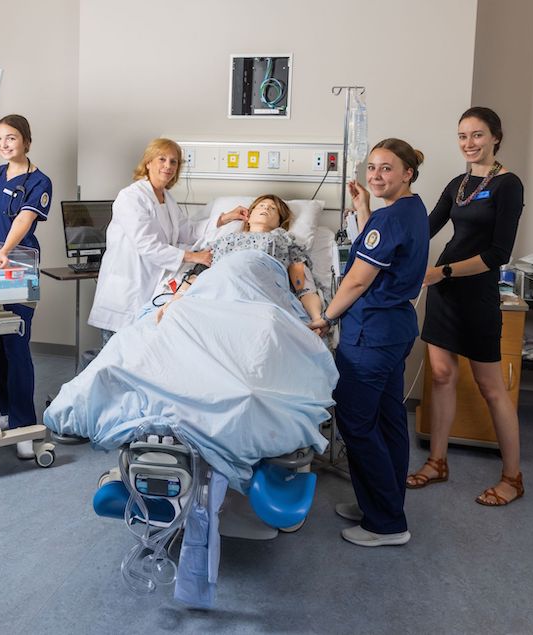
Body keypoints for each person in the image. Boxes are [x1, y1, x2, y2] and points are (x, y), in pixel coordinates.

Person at [308, 139, 429, 547]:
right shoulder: (411, 210)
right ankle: (382, 503)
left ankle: (386, 523)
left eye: (387, 169)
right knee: (389, 421)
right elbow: (379, 250)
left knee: (358, 425)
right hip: (394, 331)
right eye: (372, 168)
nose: (376, 176)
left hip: (370, 336)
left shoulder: (389, 220)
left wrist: (326, 317)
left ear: (407, 173)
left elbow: (358, 279)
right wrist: (363, 211)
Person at [406, 106, 526, 506]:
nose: (469, 144)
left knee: (492, 388)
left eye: (477, 135)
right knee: (440, 375)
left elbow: (498, 253)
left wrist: (444, 272)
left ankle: (512, 477)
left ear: (495, 137)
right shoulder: (458, 183)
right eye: (462, 136)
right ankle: (437, 462)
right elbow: (425, 227)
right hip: (445, 291)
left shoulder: (509, 185)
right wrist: (374, 218)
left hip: (474, 292)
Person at [88, 138, 247, 346]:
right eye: (162, 159)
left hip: (150, 288)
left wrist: (225, 217)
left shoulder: (167, 199)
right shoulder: (131, 197)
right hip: (126, 289)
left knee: (135, 354)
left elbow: (188, 231)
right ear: (148, 163)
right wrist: (193, 256)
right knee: (112, 355)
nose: (168, 166)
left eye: (174, 162)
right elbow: (146, 245)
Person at [0, 114, 51, 459]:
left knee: (16, 345)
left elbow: (23, 219)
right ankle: (7, 413)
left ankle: (24, 426)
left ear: (26, 142)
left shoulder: (39, 181)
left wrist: (2, 251)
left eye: (11, 138)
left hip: (18, 265)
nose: (4, 144)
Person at [156, 194, 323, 324]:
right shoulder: (224, 241)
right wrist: (174, 302)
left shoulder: (284, 240)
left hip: (262, 295)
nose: (266, 208)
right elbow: (197, 275)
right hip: (219, 291)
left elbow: (304, 287)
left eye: (273, 209)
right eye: (261, 206)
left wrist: (316, 318)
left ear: (280, 222)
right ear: (248, 217)